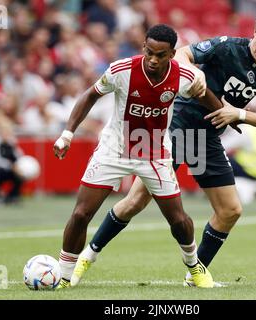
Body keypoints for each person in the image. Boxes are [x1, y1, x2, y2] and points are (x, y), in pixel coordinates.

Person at [77, 12, 256, 287]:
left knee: (231, 210)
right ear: (254, 33)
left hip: (206, 138)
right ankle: (87, 255)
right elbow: (181, 56)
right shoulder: (227, 46)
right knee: (136, 202)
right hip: (177, 127)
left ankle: (195, 275)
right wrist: (195, 75)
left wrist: (238, 114)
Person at [53, 24, 225, 289]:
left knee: (178, 220)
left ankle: (195, 268)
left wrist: (224, 115)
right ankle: (64, 276)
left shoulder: (184, 77)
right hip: (114, 149)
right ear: (144, 46)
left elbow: (205, 97)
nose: (154, 60)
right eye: (149, 52)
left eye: (161, 55)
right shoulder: (120, 71)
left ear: (172, 54)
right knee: (80, 214)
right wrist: (67, 133)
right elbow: (90, 96)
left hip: (155, 154)